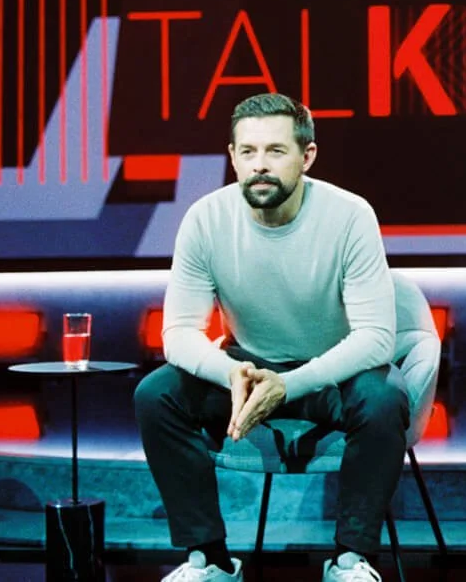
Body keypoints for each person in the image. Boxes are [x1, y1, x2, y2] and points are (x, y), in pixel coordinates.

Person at [135, 93, 404, 582]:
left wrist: (292, 383)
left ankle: (349, 559)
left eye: (276, 151)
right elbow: (177, 332)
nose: (261, 165)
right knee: (156, 395)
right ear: (233, 157)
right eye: (249, 152)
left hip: (329, 372)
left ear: (307, 156)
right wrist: (231, 372)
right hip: (245, 368)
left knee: (383, 397)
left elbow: (377, 339)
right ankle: (209, 559)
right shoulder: (205, 218)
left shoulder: (350, 215)